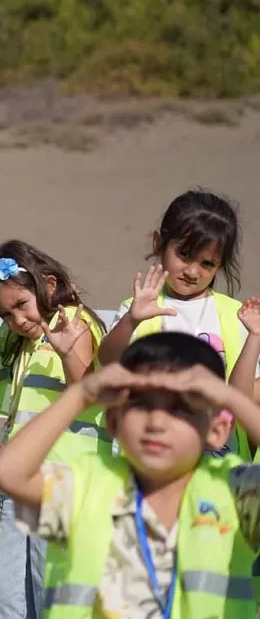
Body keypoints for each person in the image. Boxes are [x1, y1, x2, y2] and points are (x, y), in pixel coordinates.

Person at [0, 333, 260, 619]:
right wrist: (80, 394)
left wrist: (230, 398)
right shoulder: (89, 482)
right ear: (114, 421)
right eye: (141, 405)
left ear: (217, 430)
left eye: (180, 408)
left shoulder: (231, 488)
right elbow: (7, 472)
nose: (157, 421)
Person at [0, 241, 108, 619]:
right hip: (21, 480)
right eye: (5, 314)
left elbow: (85, 389)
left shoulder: (72, 322)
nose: (17, 319)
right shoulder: (23, 343)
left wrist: (66, 353)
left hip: (64, 480)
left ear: (47, 283)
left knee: (52, 585)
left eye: (22, 304)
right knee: (1, 585)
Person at [97, 189, 257, 457]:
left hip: (215, 462)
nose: (193, 272)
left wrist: (255, 337)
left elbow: (242, 399)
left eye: (207, 263)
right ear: (159, 243)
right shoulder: (137, 307)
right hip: (146, 455)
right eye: (184, 254)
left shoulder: (236, 316)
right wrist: (131, 320)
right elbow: (108, 361)